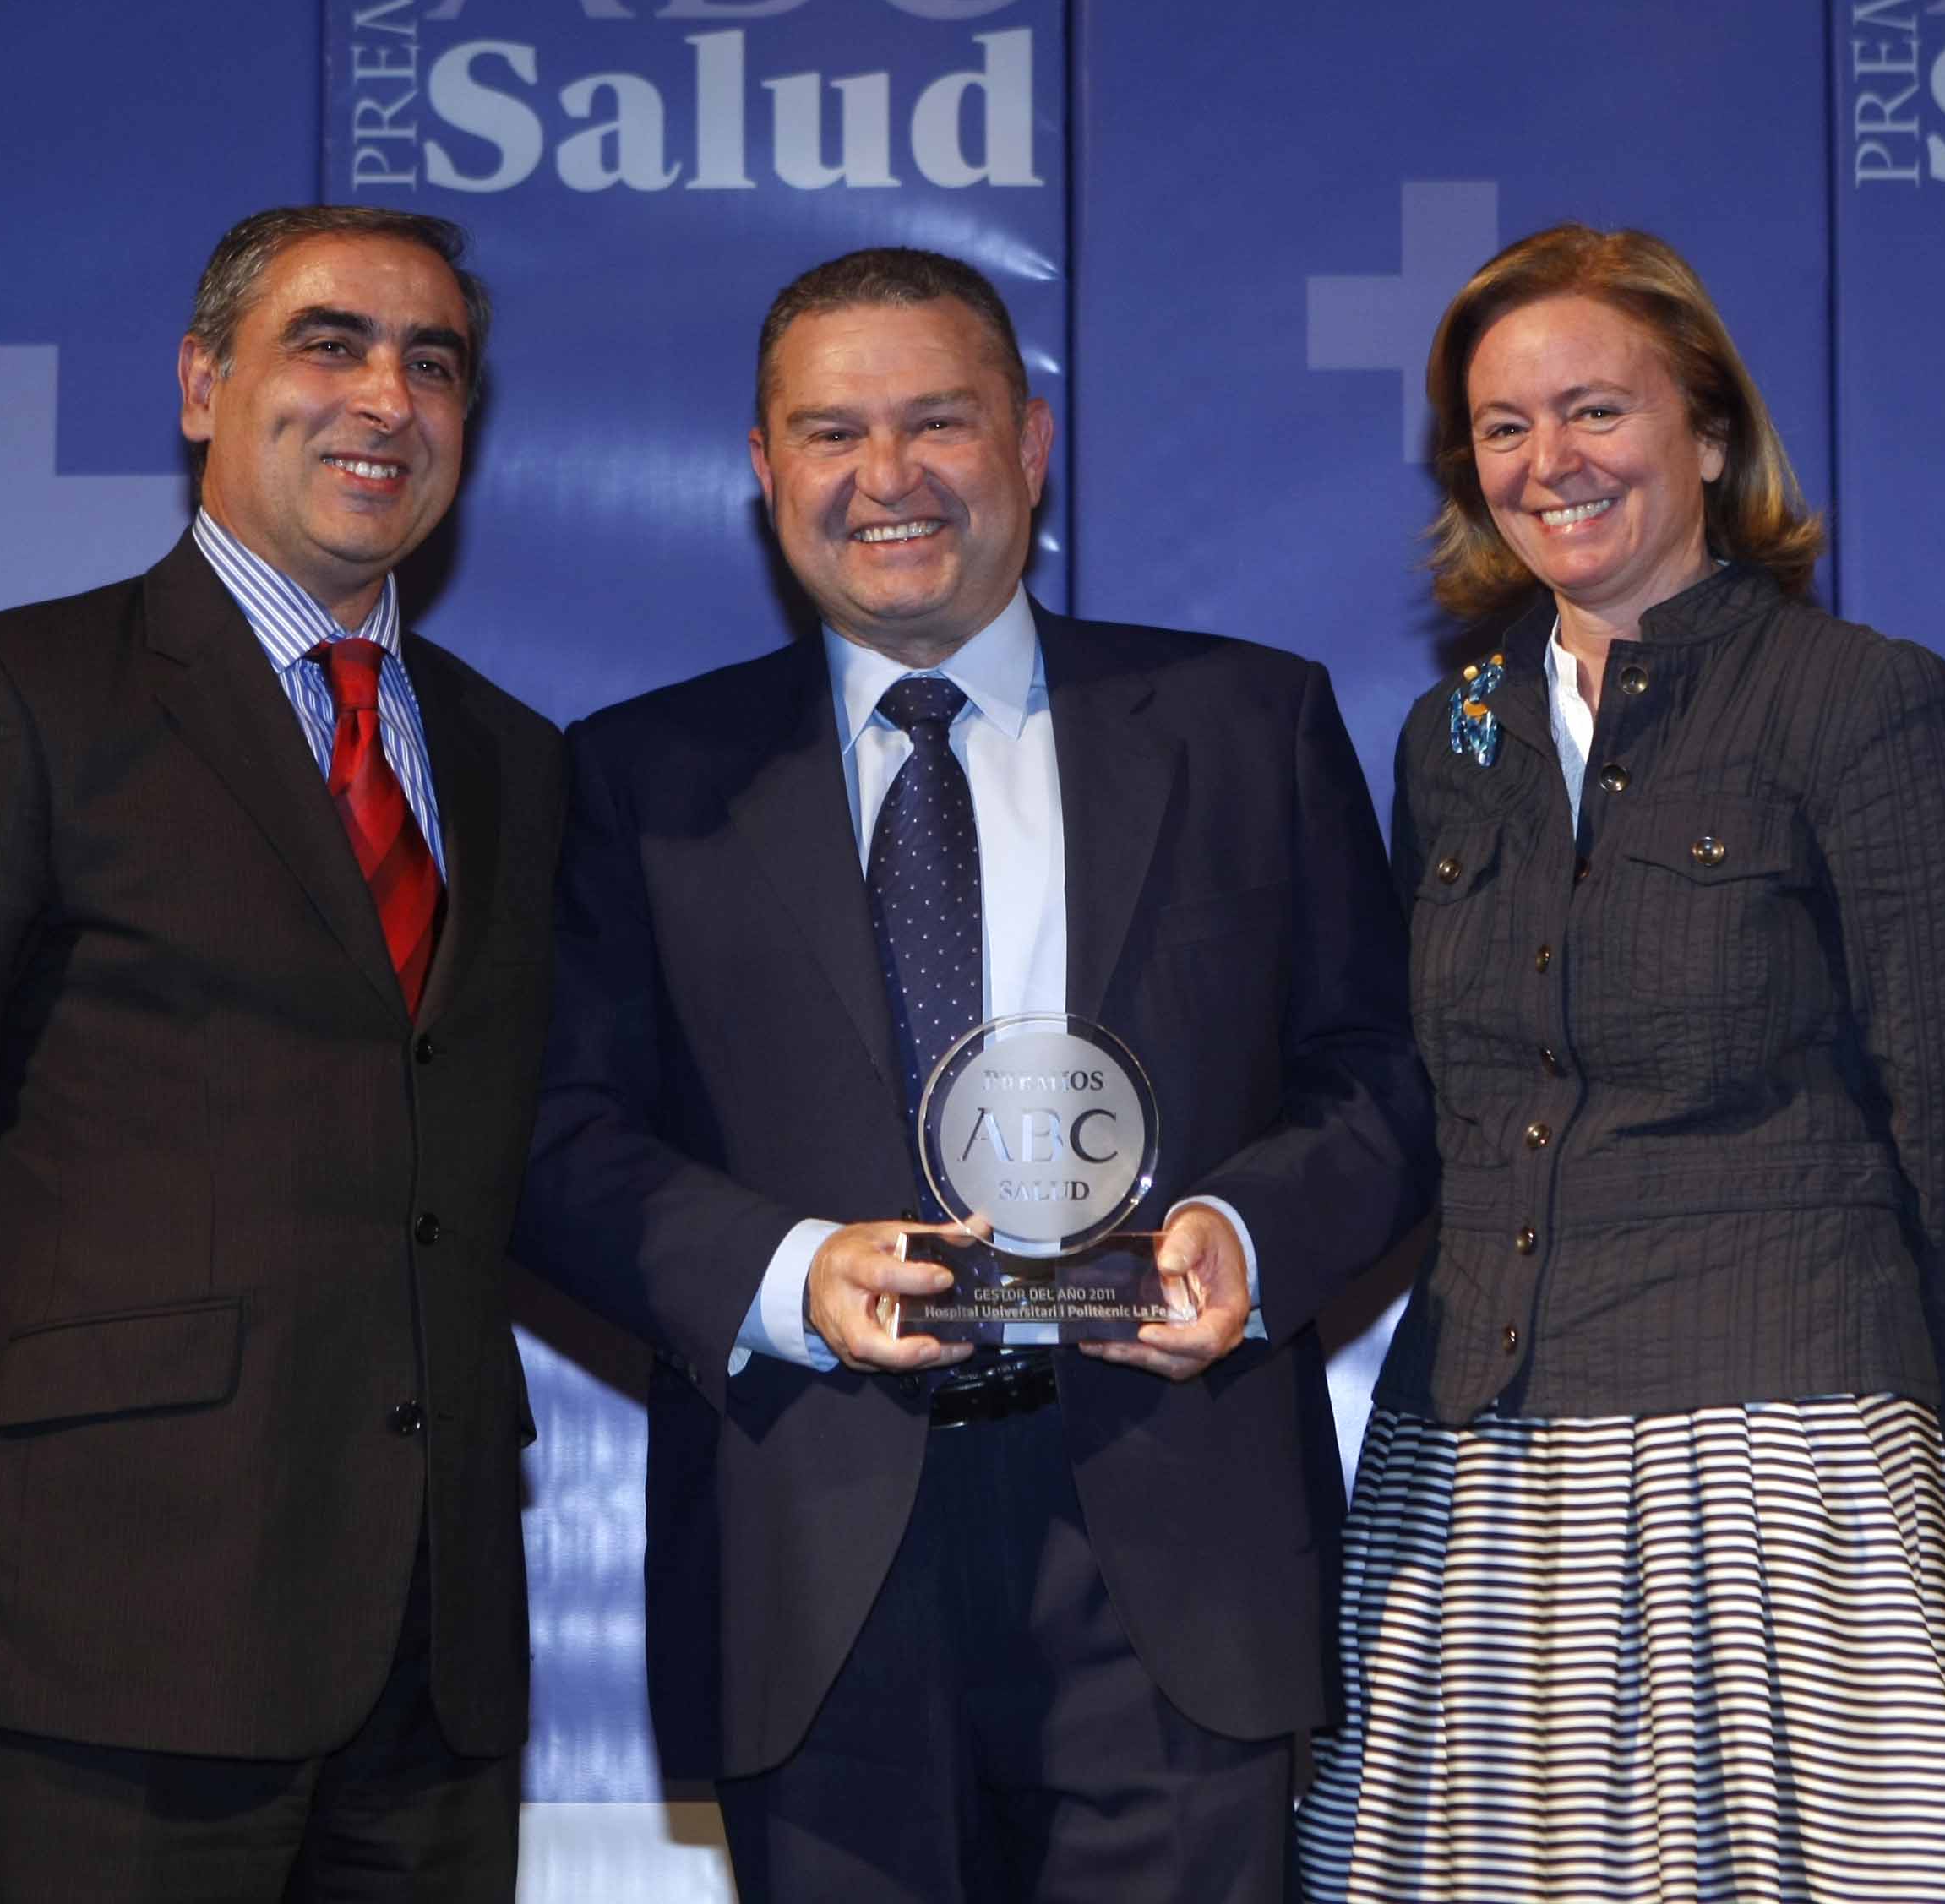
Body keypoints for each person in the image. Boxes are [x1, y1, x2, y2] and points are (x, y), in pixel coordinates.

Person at [513, 246, 1434, 1902]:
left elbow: (1380, 1085)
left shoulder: (1247, 724)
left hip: (1167, 1541)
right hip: (815, 1548)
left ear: (1032, 440)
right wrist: (792, 1271)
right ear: (761, 469)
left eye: (937, 420)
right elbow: (558, 1143)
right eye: (830, 432)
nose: (887, 477)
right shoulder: (641, 780)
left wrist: (1244, 1232)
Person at [0, 205, 563, 1901]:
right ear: (204, 385)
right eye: (328, 342)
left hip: (432, 1676)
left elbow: (497, 1164)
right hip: (90, 1649)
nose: (386, 397)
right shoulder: (14, 696)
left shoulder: (515, 762)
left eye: (435, 363)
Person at [1299, 224, 1945, 1902]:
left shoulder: (1864, 703)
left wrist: (1856, 1404)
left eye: (1595, 409)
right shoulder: (1457, 738)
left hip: (1779, 1464)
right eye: (1502, 426)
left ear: (1709, 433)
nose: (1548, 462)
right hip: (1474, 1463)